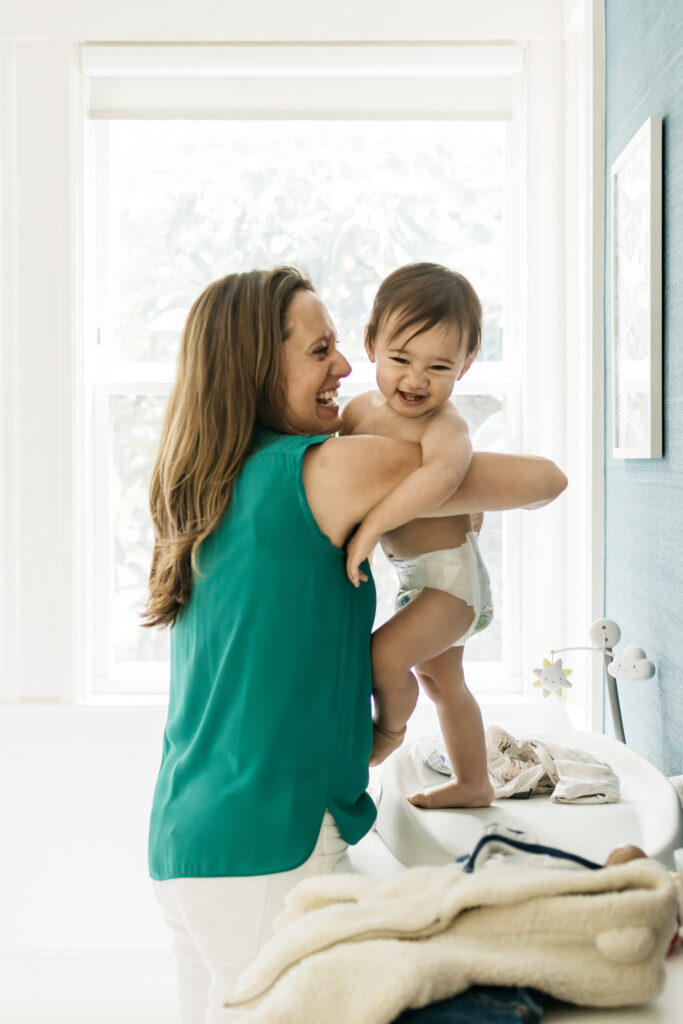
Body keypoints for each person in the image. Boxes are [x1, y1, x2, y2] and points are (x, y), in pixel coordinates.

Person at [143, 266, 567, 1024]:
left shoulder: (208, 479)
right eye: (321, 349)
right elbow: (541, 481)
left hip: (190, 838)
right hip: (269, 844)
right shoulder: (329, 469)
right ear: (255, 363)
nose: (344, 367)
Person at [341, 263, 502, 809]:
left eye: (438, 366)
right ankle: (474, 782)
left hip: (452, 582)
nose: (415, 380)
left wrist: (371, 527)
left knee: (383, 657)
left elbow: (441, 479)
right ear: (370, 345)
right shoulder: (358, 413)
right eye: (400, 360)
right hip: (418, 579)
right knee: (443, 685)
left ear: (466, 365)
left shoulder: (445, 427)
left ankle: (387, 734)